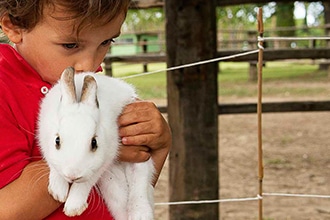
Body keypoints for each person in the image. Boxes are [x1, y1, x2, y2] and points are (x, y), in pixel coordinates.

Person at [0, 0, 171, 219]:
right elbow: (7, 210)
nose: (89, 64)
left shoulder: (99, 93)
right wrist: (101, 152)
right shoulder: (5, 91)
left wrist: (157, 144)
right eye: (71, 45)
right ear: (14, 27)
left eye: (106, 41)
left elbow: (130, 192)